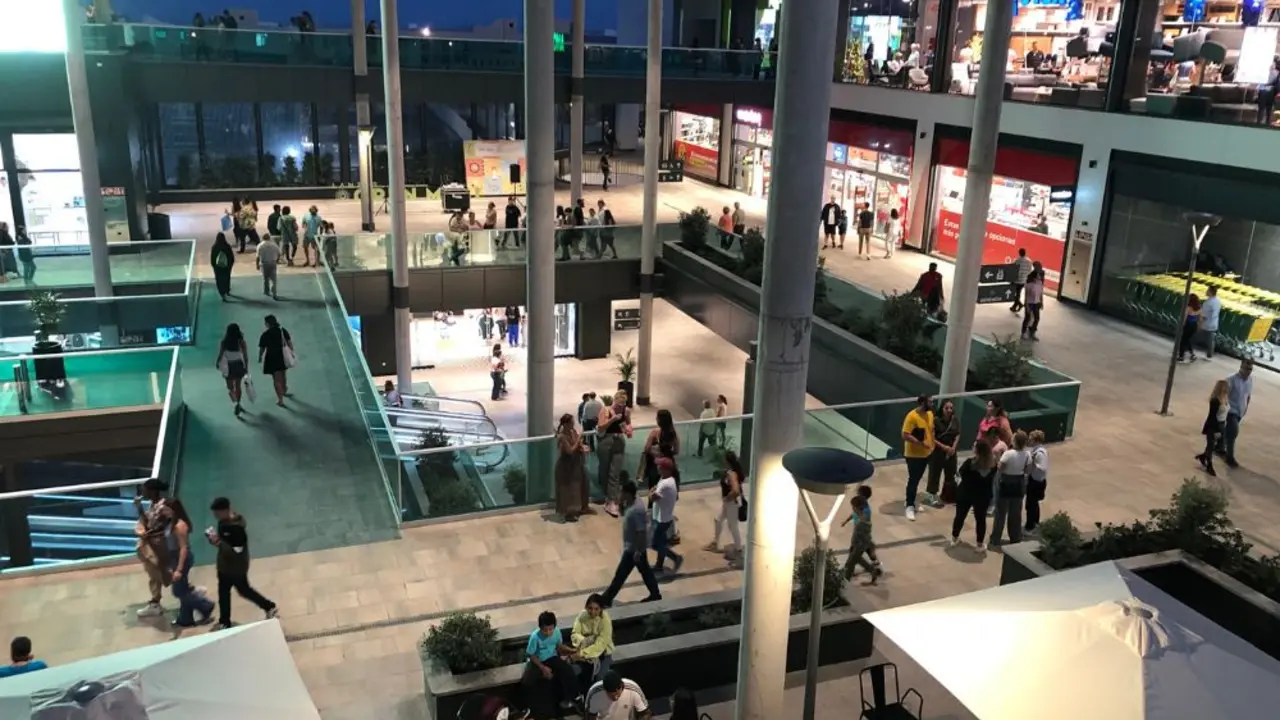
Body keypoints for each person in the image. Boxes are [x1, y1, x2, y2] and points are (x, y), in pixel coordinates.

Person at [208, 497, 277, 630]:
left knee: (243, 590)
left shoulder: (235, 528)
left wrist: (217, 542)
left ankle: (268, 606)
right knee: (225, 593)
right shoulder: (224, 522)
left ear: (225, 511)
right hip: (225, 566)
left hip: (234, 568)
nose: (215, 516)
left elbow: (237, 551)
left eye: (217, 513)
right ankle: (225, 621)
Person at [600, 479, 662, 605]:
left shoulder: (637, 510)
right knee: (645, 572)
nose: (620, 493)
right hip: (634, 548)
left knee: (621, 575)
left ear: (627, 493)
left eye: (621, 492)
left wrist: (638, 551)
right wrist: (620, 503)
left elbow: (641, 532)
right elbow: (624, 514)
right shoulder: (633, 501)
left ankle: (606, 599)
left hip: (633, 549)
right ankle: (655, 594)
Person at [164, 498, 216, 627]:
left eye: (165, 509)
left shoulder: (179, 526)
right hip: (174, 557)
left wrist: (179, 569)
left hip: (181, 559)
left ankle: (205, 605)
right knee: (183, 589)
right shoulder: (170, 522)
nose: (163, 511)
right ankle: (185, 618)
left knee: (179, 591)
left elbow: (183, 548)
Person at [520, 611, 582, 713]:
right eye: (545, 630)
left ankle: (572, 698)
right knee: (526, 681)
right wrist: (543, 668)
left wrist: (572, 651)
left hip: (551, 657)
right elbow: (530, 654)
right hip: (537, 660)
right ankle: (525, 707)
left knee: (567, 670)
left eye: (550, 629)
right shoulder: (535, 636)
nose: (548, 632)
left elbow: (559, 646)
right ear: (540, 628)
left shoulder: (557, 631)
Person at [134, 478, 174, 618]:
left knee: (161, 573)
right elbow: (147, 522)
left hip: (158, 545)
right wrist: (139, 508)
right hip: (152, 543)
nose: (142, 492)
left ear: (152, 490)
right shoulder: (152, 505)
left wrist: (148, 533)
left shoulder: (163, 507)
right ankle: (154, 602)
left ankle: (191, 594)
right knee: (156, 574)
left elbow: (165, 524)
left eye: (145, 489)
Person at [952, 438, 997, 551]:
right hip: (983, 496)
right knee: (980, 519)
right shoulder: (993, 465)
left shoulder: (969, 463)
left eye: (974, 446)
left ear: (977, 450)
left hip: (965, 493)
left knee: (960, 516)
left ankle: (954, 538)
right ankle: (979, 544)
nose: (972, 447)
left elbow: (960, 473)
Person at [991, 430, 1031, 547]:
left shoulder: (1008, 454)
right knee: (1016, 512)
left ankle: (996, 539)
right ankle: (1015, 537)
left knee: (1000, 513)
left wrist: (998, 460)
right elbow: (1028, 470)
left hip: (1005, 483)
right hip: (1019, 483)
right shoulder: (1027, 454)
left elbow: (1000, 468)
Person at [900, 394, 935, 521]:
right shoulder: (912, 416)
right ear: (922, 403)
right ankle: (909, 505)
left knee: (918, 478)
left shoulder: (930, 415)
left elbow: (930, 430)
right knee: (913, 479)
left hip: (926, 453)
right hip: (913, 455)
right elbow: (905, 434)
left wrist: (932, 444)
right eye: (930, 402)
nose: (932, 404)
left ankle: (911, 500)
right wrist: (920, 443)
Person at [708, 450, 745, 564]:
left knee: (732, 526)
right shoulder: (729, 471)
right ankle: (715, 542)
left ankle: (738, 550)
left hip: (732, 503)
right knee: (718, 519)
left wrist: (727, 498)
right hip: (729, 503)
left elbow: (736, 491)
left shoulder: (731, 474)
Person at [570, 594, 614, 689]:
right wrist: (586, 641)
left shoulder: (605, 620)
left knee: (600, 678)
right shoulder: (582, 615)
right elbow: (574, 634)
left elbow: (601, 644)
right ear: (586, 607)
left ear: (601, 608)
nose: (593, 612)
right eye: (590, 608)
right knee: (574, 671)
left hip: (603, 653)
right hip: (583, 649)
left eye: (596, 609)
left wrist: (582, 653)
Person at [597, 393, 631, 517]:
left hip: (619, 442)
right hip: (606, 441)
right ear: (614, 402)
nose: (619, 408)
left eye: (622, 405)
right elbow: (600, 427)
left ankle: (613, 500)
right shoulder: (606, 410)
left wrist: (628, 429)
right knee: (605, 470)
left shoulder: (626, 411)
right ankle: (607, 497)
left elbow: (628, 423)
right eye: (617, 405)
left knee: (615, 472)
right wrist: (612, 419)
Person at [841, 485, 883, 583]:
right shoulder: (860, 517)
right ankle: (872, 571)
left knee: (851, 562)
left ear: (858, 508)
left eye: (853, 508)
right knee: (855, 559)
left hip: (859, 544)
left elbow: (866, 536)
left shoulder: (863, 522)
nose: (853, 509)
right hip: (856, 542)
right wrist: (846, 521)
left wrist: (870, 547)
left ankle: (845, 580)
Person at [650, 457, 684, 574]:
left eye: (660, 466)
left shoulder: (665, 484)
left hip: (663, 519)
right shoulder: (668, 480)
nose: (658, 467)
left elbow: (652, 497)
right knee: (662, 543)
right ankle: (659, 565)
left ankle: (675, 558)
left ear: (666, 469)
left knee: (655, 544)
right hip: (663, 517)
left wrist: (651, 492)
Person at [1218, 359, 1253, 469]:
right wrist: (1224, 408)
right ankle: (1230, 457)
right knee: (1233, 432)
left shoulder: (1250, 380)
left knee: (1228, 431)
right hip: (1231, 410)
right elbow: (1222, 394)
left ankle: (1219, 447)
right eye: (1246, 368)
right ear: (1241, 367)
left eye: (1250, 369)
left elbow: (1248, 395)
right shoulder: (1231, 379)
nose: (1248, 371)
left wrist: (1245, 408)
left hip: (1240, 411)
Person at [555, 413, 589, 522]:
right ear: (565, 424)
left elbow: (577, 446)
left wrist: (582, 448)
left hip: (575, 464)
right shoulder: (562, 437)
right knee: (566, 489)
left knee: (576, 487)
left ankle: (578, 509)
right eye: (571, 423)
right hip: (565, 466)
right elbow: (569, 450)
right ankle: (567, 512)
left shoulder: (572, 432)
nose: (573, 425)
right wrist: (579, 438)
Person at [926, 398, 960, 506]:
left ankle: (948, 495)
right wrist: (944, 447)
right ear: (942, 409)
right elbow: (931, 437)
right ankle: (932, 495)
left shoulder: (954, 420)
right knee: (935, 473)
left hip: (951, 451)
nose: (949, 410)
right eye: (947, 408)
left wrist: (953, 447)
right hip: (938, 451)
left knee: (951, 473)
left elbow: (958, 433)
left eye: (951, 408)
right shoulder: (935, 420)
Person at [258, 314, 294, 407]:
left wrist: (260, 358)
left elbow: (262, 349)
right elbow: (289, 343)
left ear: (267, 324)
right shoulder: (282, 331)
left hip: (272, 358)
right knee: (283, 373)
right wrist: (292, 352)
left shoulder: (265, 334)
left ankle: (280, 399)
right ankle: (284, 389)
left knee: (276, 379)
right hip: (282, 355)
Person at [639, 409, 680, 489]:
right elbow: (676, 450)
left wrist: (655, 453)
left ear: (659, 420)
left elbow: (647, 448)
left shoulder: (655, 433)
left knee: (654, 488)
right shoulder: (674, 434)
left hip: (656, 466)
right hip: (669, 465)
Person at [215, 323, 250, 417]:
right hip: (239, 365)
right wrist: (246, 367)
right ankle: (238, 402)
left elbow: (221, 354)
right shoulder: (241, 342)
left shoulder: (224, 342)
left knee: (230, 388)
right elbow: (245, 356)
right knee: (238, 386)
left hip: (228, 366)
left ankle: (236, 403)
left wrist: (217, 362)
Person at [585, 671, 650, 720]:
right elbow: (590, 716)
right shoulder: (595, 692)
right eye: (611, 695)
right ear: (605, 690)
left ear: (622, 687)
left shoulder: (633, 688)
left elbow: (644, 712)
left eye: (617, 695)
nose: (615, 698)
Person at [1198, 379, 1230, 476]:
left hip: (1222, 424)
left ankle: (1204, 457)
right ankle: (1209, 465)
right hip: (1214, 425)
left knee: (1211, 445)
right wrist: (1216, 430)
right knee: (1211, 446)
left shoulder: (1225, 399)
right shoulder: (1215, 401)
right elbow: (1212, 416)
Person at [1024, 430, 1050, 531]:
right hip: (1034, 480)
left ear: (1036, 440)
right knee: (1033, 504)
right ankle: (1035, 523)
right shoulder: (1035, 450)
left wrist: (1033, 463)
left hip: (1036, 482)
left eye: (1030, 439)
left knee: (1030, 505)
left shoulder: (1039, 454)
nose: (1029, 441)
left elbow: (1042, 468)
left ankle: (1030, 527)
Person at [1021, 264, 1045, 341]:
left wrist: (1041, 302)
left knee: (1037, 318)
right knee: (1027, 318)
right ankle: (1023, 333)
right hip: (1030, 303)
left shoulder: (1040, 283)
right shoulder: (1029, 285)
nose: (1040, 276)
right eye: (1039, 275)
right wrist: (1026, 305)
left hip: (1037, 303)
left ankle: (1032, 332)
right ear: (1035, 275)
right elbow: (1026, 296)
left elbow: (1041, 293)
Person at [255, 233, 282, 300]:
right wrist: (277, 260)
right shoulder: (274, 245)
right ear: (269, 238)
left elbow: (257, 257)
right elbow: (279, 254)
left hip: (264, 264)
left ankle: (266, 291)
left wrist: (257, 265)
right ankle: (274, 293)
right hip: (273, 263)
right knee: (273, 279)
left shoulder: (260, 246)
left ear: (263, 238)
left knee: (265, 278)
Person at [211, 232, 235, 301]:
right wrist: (230, 265)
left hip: (218, 268)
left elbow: (212, 258)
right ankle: (227, 290)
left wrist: (214, 266)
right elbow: (231, 257)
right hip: (226, 267)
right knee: (226, 278)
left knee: (219, 280)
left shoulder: (214, 247)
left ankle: (222, 293)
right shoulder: (227, 246)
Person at [1198, 285, 1221, 358]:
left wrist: (1199, 324)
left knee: (1194, 336)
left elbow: (1204, 316)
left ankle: (1186, 349)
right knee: (1210, 340)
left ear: (1211, 292)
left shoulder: (1208, 303)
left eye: (1207, 290)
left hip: (1206, 325)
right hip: (1213, 323)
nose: (1206, 291)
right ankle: (1209, 354)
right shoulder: (1217, 301)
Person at [1179, 294, 1202, 362]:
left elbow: (1184, 318)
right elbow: (1200, 319)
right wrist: (1198, 327)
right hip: (1194, 326)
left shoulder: (1188, 308)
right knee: (1187, 340)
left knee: (1183, 341)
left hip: (1188, 325)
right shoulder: (1199, 308)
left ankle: (1181, 356)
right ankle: (1192, 355)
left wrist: (1182, 325)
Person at [1010, 248, 1034, 313]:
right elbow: (1030, 271)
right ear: (1025, 253)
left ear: (1019, 253)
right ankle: (1015, 306)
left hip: (1016, 280)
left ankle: (1019, 304)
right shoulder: (1029, 261)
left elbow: (1012, 270)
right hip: (1024, 281)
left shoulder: (1017, 260)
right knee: (1018, 293)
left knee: (1012, 293)